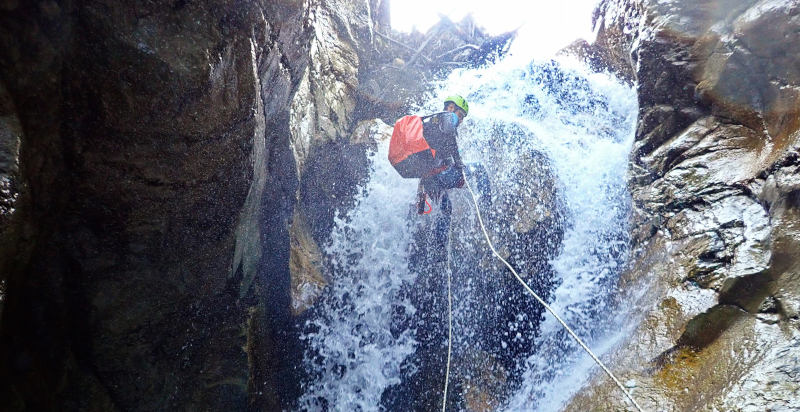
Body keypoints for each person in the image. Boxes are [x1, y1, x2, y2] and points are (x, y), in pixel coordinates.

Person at [416, 95, 469, 214]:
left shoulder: (432, 122)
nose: (460, 121)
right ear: (450, 108)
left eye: (462, 118)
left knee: (445, 208)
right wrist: (459, 163)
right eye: (460, 115)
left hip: (428, 179)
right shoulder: (447, 118)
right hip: (436, 176)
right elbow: (450, 136)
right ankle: (488, 212)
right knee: (479, 169)